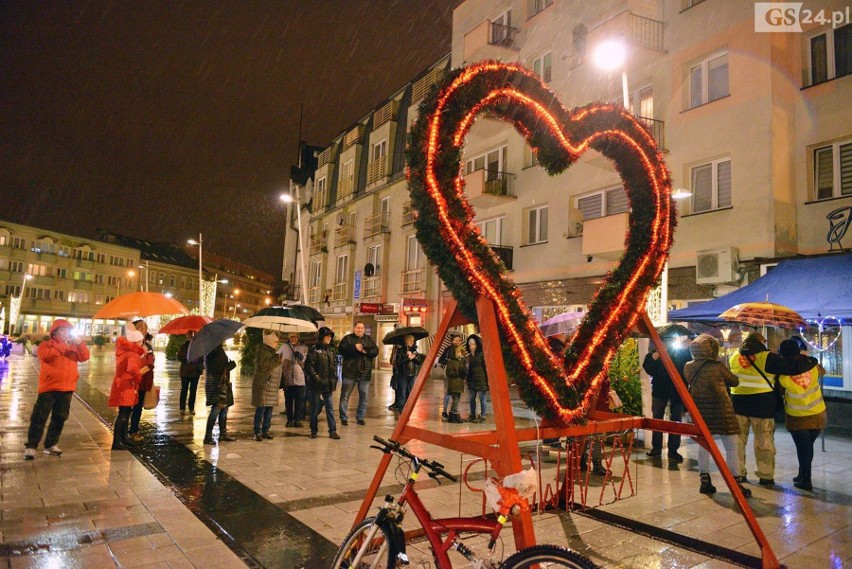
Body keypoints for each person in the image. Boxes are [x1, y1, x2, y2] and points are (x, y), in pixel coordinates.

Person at [729, 332, 804, 486]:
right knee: (764, 443)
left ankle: (738, 474)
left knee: (737, 443)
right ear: (760, 342)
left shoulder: (733, 356)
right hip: (762, 406)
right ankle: (766, 475)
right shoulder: (768, 357)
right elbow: (790, 368)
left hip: (738, 405)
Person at [684, 334, 751, 497]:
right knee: (732, 447)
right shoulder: (718, 366)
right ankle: (736, 484)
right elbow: (734, 381)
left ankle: (705, 482)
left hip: (700, 411)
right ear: (712, 349)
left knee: (704, 446)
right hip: (722, 411)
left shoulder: (688, 366)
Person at [23, 319, 90, 459]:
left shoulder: (73, 346)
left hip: (67, 387)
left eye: (67, 330)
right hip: (49, 386)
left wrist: (80, 344)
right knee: (40, 416)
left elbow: (85, 357)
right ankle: (31, 446)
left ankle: (51, 444)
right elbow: (46, 356)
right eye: (62, 330)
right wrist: (63, 346)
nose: (65, 333)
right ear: (55, 332)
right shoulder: (46, 345)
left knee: (60, 417)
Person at [776, 339, 826, 491]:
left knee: (803, 448)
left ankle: (806, 480)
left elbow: (780, 392)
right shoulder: (812, 367)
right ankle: (801, 475)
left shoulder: (783, 375)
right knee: (807, 446)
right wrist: (806, 357)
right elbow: (823, 371)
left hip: (797, 417)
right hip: (817, 414)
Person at [642, 342, 692, 462]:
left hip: (677, 390)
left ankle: (673, 450)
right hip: (660, 390)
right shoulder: (654, 354)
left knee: (676, 420)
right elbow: (649, 370)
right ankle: (656, 448)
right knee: (657, 419)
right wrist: (654, 358)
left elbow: (688, 369)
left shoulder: (682, 353)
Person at [108, 327, 146, 450]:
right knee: (124, 414)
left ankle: (123, 438)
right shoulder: (132, 354)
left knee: (125, 412)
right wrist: (138, 378)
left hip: (121, 384)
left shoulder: (124, 351)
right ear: (136, 342)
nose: (142, 343)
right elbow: (132, 369)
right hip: (126, 385)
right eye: (141, 341)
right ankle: (117, 441)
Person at [338, 321, 378, 426]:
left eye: (362, 328)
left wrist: (367, 352)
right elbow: (341, 350)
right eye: (358, 328)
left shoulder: (368, 339)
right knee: (345, 396)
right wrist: (354, 348)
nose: (360, 330)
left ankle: (360, 417)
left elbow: (375, 351)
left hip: (365, 373)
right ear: (354, 328)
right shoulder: (347, 339)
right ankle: (343, 417)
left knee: (364, 397)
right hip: (350, 372)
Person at [306, 327, 340, 439]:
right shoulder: (314, 349)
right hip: (316, 384)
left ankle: (333, 430)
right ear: (321, 337)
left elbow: (333, 365)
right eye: (327, 336)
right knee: (314, 408)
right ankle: (313, 430)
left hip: (328, 384)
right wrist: (316, 378)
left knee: (330, 408)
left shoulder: (331, 349)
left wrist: (333, 378)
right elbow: (309, 366)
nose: (329, 338)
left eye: (330, 336)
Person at [127, 319, 154, 443]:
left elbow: (151, 363)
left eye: (145, 328)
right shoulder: (129, 345)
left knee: (138, 407)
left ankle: (134, 430)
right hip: (131, 381)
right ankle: (123, 431)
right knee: (127, 407)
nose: (143, 331)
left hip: (143, 380)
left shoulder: (148, 346)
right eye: (140, 328)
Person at [204, 343, 236, 445]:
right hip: (217, 385)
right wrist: (229, 366)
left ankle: (222, 434)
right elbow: (217, 369)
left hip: (220, 384)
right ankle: (208, 436)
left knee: (224, 410)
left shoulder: (217, 349)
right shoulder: (213, 351)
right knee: (216, 410)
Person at [252, 330, 282, 441]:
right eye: (275, 342)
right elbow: (264, 366)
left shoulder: (271, 352)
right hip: (264, 384)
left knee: (269, 409)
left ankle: (266, 430)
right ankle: (257, 431)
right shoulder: (262, 351)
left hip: (271, 386)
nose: (276, 344)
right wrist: (277, 359)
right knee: (261, 408)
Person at [279, 333, 308, 427]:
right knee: (288, 401)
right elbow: (277, 357)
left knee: (299, 401)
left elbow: (307, 362)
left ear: (298, 337)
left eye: (294, 336)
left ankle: (297, 420)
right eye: (291, 337)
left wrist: (301, 358)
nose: (292, 338)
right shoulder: (284, 346)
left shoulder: (304, 348)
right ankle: (289, 419)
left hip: (300, 378)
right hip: (288, 378)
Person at [393, 334, 425, 411]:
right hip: (403, 374)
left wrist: (414, 358)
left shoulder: (414, 350)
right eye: (410, 340)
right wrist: (408, 359)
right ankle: (402, 412)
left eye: (413, 340)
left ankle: (408, 412)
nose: (412, 342)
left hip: (412, 374)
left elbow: (419, 362)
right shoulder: (400, 350)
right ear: (406, 341)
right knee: (402, 394)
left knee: (410, 394)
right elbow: (398, 363)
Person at [177, 330, 203, 416]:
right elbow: (179, 357)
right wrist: (188, 357)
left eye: (193, 335)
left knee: (193, 391)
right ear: (187, 336)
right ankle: (182, 408)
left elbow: (202, 358)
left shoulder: (198, 346)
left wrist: (197, 359)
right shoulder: (183, 346)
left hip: (195, 372)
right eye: (189, 335)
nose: (191, 337)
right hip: (185, 372)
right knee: (184, 390)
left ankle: (191, 408)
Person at [438, 333, 463, 419]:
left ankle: (454, 410)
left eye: (459, 340)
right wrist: (448, 361)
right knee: (448, 392)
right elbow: (441, 360)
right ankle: (444, 412)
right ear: (452, 341)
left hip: (458, 374)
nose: (457, 342)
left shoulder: (461, 349)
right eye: (456, 340)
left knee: (456, 393)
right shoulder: (448, 349)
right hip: (449, 373)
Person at [465, 334, 488, 423]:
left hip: (481, 379)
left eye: (473, 344)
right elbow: (468, 369)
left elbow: (486, 367)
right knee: (471, 398)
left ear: (477, 344)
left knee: (482, 398)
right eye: (470, 345)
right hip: (472, 380)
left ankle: (483, 415)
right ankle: (472, 415)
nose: (471, 347)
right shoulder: (469, 356)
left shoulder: (481, 355)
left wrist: (487, 380)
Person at [444, 344, 467, 423]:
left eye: (461, 352)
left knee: (457, 399)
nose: (459, 354)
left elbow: (464, 372)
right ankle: (454, 414)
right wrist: (458, 373)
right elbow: (449, 372)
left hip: (459, 384)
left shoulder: (462, 361)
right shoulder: (451, 361)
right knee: (456, 399)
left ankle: (452, 415)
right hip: (453, 383)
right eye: (458, 352)